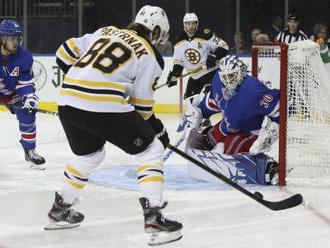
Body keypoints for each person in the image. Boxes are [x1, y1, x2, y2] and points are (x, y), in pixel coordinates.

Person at [45, 5, 182, 246]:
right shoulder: (150, 55)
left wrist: (82, 80)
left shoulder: (106, 32)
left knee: (89, 156)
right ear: (157, 30)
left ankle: (61, 209)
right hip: (103, 104)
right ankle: (154, 219)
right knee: (151, 151)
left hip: (67, 100)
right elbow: (142, 108)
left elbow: (64, 52)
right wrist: (159, 131)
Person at [184, 55, 280, 185]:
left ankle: (270, 167)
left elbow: (282, 105)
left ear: (241, 73)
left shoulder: (253, 90)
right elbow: (213, 101)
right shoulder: (218, 80)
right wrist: (199, 111)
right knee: (205, 140)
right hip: (229, 124)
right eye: (225, 77)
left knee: (232, 147)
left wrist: (273, 130)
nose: (228, 81)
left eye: (232, 76)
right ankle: (211, 142)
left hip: (250, 130)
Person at [0, 19, 45, 170]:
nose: (15, 42)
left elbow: (25, 84)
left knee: (27, 112)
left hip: (11, 92)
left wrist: (29, 97)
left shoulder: (24, 57)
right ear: (2, 38)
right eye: (12, 38)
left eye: (18, 38)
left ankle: (29, 150)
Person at [166, 12, 229, 99]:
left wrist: (214, 56)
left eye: (193, 23)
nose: (191, 26)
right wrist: (175, 74)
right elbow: (178, 61)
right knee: (189, 100)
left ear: (197, 24)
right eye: (188, 24)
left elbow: (224, 47)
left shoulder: (206, 34)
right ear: (184, 24)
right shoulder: (179, 40)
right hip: (194, 76)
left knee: (213, 98)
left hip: (210, 73)